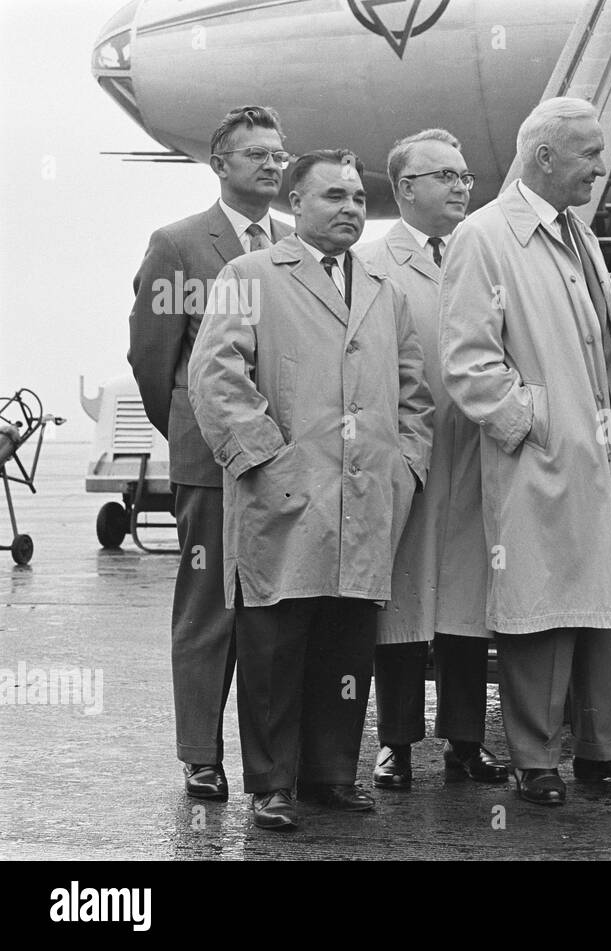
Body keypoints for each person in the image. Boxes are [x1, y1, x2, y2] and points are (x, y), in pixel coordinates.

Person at [439, 98, 611, 806]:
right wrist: (535, 422)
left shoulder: (577, 232)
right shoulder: (484, 236)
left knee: (604, 608)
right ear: (544, 157)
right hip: (543, 456)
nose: (601, 168)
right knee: (541, 610)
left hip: (598, 455)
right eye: (587, 156)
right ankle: (535, 758)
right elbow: (467, 363)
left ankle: (604, 752)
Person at [189, 149, 435, 830]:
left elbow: (414, 393)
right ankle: (272, 782)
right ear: (295, 203)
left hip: (363, 500)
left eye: (358, 197)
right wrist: (270, 463)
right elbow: (214, 379)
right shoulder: (249, 274)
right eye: (333, 196)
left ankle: (331, 773)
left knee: (346, 642)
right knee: (274, 645)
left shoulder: (386, 289)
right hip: (283, 498)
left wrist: (405, 464)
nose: (351, 207)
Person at [127, 105, 293, 802]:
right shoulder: (179, 244)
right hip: (212, 466)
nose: (271, 164)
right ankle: (201, 754)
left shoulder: (297, 243)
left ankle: (278, 764)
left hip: (287, 463)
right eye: (255, 153)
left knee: (278, 615)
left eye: (279, 154)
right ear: (219, 164)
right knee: (208, 611)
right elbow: (151, 358)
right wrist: (197, 439)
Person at [356, 129, 507, 788]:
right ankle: (394, 742)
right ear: (406, 187)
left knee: (467, 604)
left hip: (474, 449)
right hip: (405, 452)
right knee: (402, 602)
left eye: (466, 177)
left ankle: (466, 741)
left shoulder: (487, 256)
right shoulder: (370, 263)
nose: (461, 187)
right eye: (444, 175)